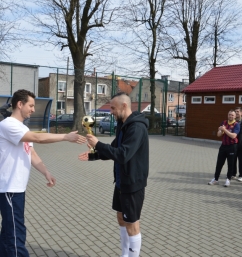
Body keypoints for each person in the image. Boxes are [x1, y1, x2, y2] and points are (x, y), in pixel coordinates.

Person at [0, 89, 86, 257]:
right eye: (31, 105)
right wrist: (65, 137)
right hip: (9, 188)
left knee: (10, 231)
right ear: (19, 104)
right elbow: (38, 138)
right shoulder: (8, 125)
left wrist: (46, 172)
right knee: (15, 233)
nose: (33, 109)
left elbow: (30, 152)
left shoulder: (21, 127)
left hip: (17, 189)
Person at [78, 92, 149, 257]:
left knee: (132, 224)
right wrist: (93, 155)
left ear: (124, 106)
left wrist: (98, 144)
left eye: (113, 108)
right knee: (121, 218)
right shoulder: (122, 125)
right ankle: (125, 254)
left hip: (132, 183)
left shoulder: (137, 127)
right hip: (121, 182)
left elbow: (123, 154)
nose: (111, 111)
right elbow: (114, 149)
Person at [208, 110, 240, 187]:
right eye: (229, 114)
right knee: (219, 163)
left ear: (235, 116)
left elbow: (233, 136)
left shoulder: (236, 124)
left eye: (232, 115)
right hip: (223, 146)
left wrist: (224, 129)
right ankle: (215, 179)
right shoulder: (224, 123)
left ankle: (228, 179)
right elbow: (218, 134)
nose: (230, 116)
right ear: (227, 115)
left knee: (230, 164)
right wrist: (220, 130)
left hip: (232, 146)